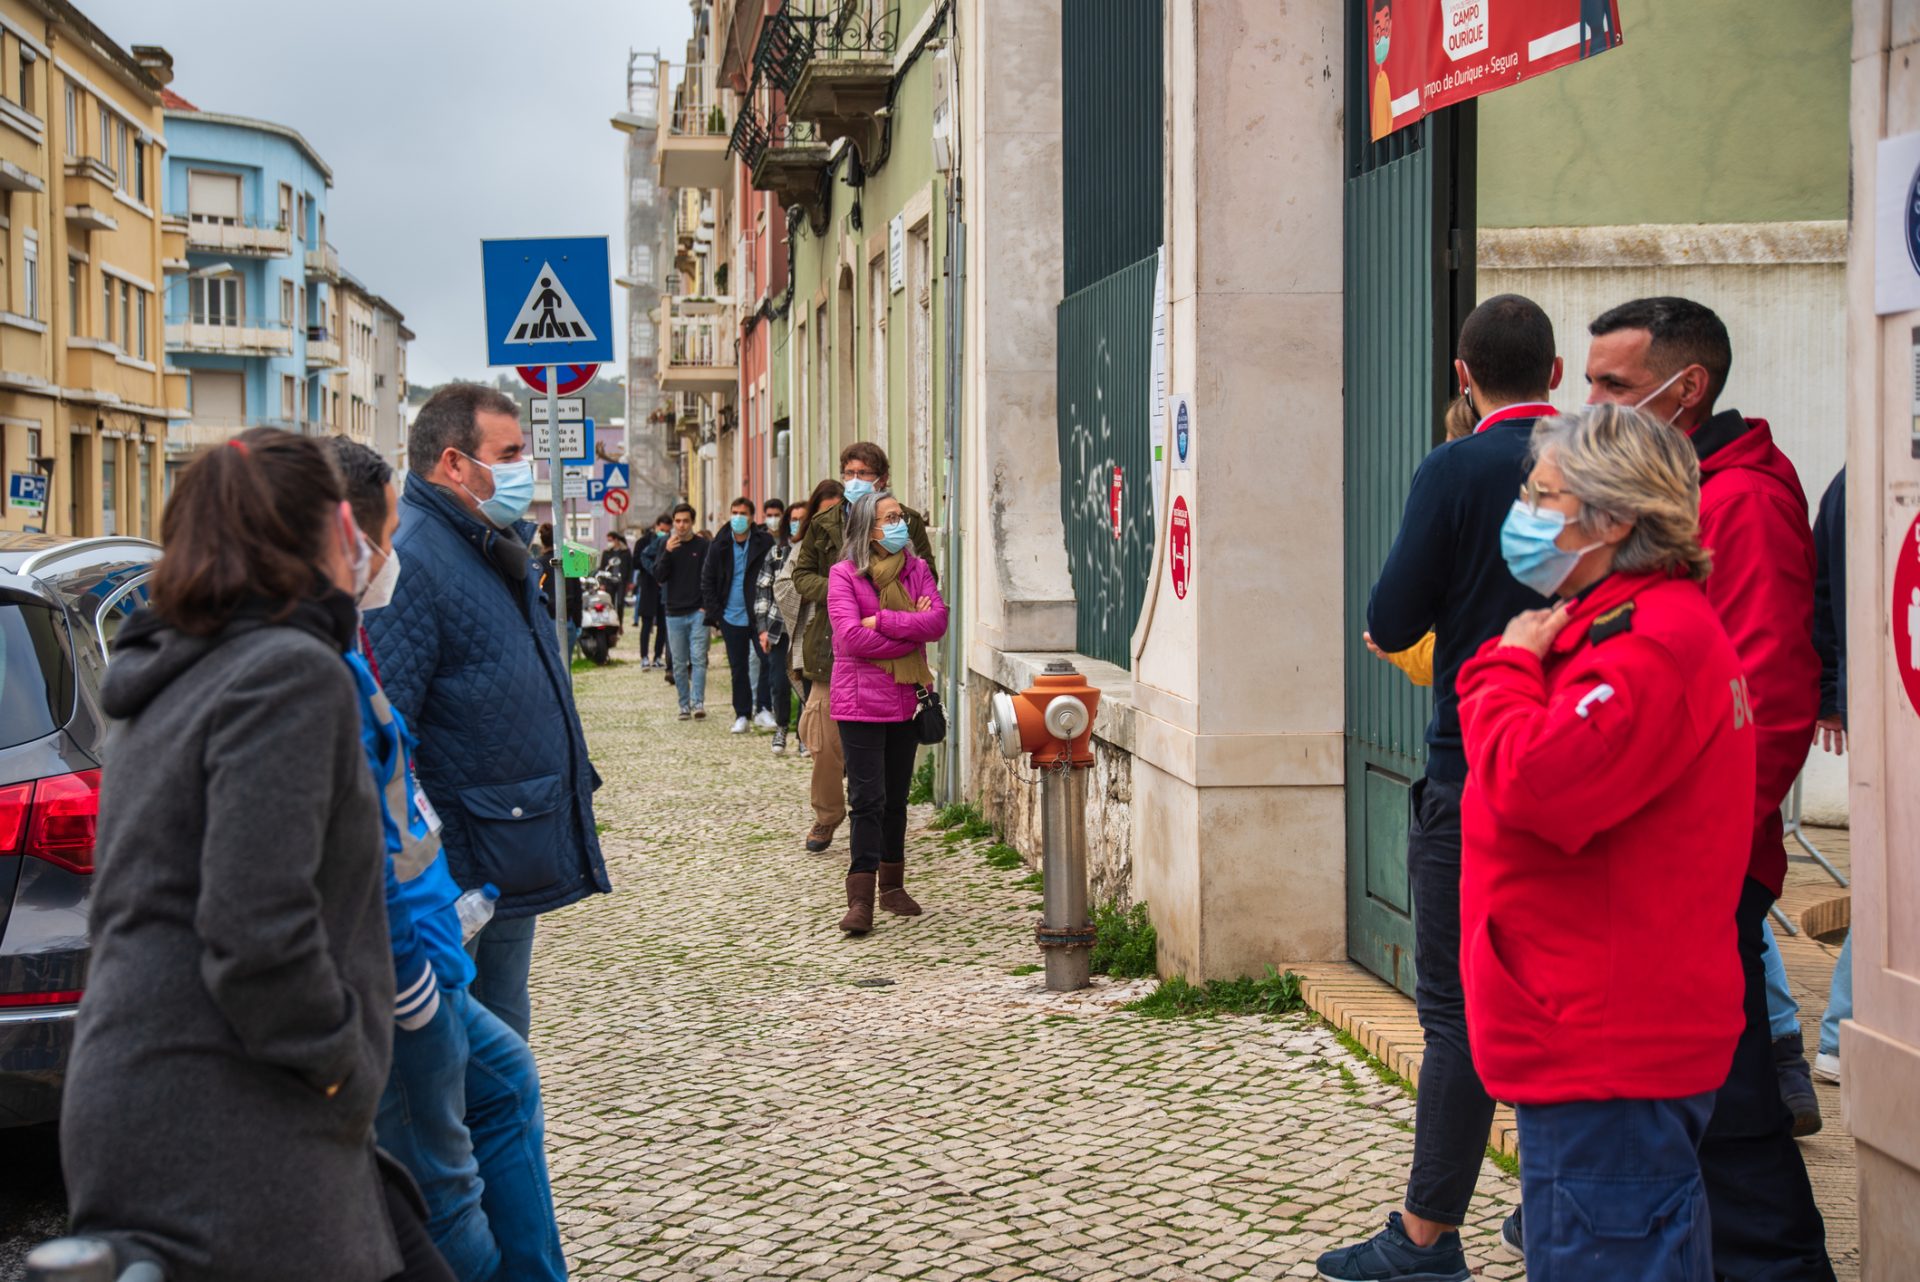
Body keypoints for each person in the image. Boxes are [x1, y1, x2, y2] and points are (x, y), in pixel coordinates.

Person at [61, 430, 433, 1282]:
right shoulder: (285, 674)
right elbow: (256, 924)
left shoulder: (174, 669)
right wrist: (342, 1062)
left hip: (150, 1090)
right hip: (231, 1107)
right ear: (332, 531)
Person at [1456, 404, 1753, 1282]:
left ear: (1615, 518)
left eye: (1544, 497)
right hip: (1597, 1028)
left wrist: (1503, 667)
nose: (1526, 512)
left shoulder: (1647, 647)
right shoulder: (1623, 625)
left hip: (1608, 1044)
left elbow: (1534, 784)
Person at [1585, 297, 1833, 1281]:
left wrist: (1702, 859)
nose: (1592, 401)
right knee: (1685, 1115)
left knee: (1730, 1120)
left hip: (1701, 870)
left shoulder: (1743, 505)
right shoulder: (1679, 493)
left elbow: (1768, 705)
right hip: (1660, 865)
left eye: (1611, 384)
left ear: (1685, 389)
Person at [1319, 295, 1560, 1282]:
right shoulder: (1594, 466)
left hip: (1474, 765)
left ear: (1464, 374)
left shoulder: (1457, 468)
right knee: (1557, 995)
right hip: (1576, 759)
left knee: (1460, 1008)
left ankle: (1427, 1234)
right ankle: (1553, 1204)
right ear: (1554, 374)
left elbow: (1390, 611)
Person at [330, 439, 567, 1282]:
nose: (388, 554)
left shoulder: (341, 642)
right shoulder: (300, 672)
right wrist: (413, 986)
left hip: (430, 943)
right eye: (380, 535)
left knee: (502, 1085)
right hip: (398, 979)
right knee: (445, 1185)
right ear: (343, 538)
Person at [368, 383, 609, 1044]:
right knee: (463, 1043)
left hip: (508, 838)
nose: (521, 469)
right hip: (460, 864)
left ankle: (502, 1148)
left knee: (502, 1030)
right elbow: (391, 730)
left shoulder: (486, 540)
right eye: (508, 454)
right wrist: (428, 873)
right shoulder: (415, 558)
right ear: (454, 463)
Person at [791, 445, 935, 853]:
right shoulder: (823, 523)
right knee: (824, 744)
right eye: (848, 471)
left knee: (884, 759)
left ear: (882, 477)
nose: (854, 479)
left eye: (864, 472)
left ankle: (876, 824)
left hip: (898, 655)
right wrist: (843, 598)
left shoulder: (906, 522)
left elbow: (926, 581)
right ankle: (826, 816)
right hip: (831, 650)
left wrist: (887, 611)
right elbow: (803, 576)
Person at [826, 490, 948, 934]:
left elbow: (937, 623)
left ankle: (893, 887)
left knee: (897, 799)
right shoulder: (844, 576)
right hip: (858, 701)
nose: (899, 523)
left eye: (899, 516)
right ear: (868, 528)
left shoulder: (917, 570)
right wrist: (909, 634)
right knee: (867, 801)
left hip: (906, 698)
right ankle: (860, 900)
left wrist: (886, 623)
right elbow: (849, 637)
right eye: (890, 517)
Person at [1810, 466, 1850, 1087]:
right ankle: (1841, 1031)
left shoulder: (1851, 479)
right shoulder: (1860, 479)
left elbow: (1818, 590)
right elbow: (1821, 590)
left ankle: (1840, 1033)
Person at [703, 495, 776, 734]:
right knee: (738, 667)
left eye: (743, 513)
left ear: (751, 517)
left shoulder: (764, 541)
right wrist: (717, 613)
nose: (738, 517)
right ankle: (742, 714)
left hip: (759, 614)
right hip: (731, 615)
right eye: (734, 512)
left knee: (767, 661)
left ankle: (763, 708)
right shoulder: (720, 543)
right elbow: (708, 579)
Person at [756, 497, 806, 753]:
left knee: (805, 683)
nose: (797, 524)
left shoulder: (813, 552)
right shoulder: (776, 554)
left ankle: (804, 734)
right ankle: (781, 727)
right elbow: (763, 591)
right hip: (778, 629)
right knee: (778, 682)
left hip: (805, 629)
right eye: (793, 520)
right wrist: (763, 629)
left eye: (802, 519)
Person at [653, 501, 711, 720]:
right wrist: (667, 551)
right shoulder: (665, 545)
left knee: (698, 659)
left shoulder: (703, 545)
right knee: (678, 663)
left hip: (698, 611)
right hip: (674, 612)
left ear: (692, 522)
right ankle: (683, 705)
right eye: (678, 521)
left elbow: (710, 576)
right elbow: (659, 575)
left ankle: (698, 703)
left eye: (686, 521)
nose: (681, 525)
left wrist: (706, 606)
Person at [537, 522, 584, 665]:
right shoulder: (569, 563)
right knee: (565, 667)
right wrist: (577, 623)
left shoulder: (536, 564)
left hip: (544, 623)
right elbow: (578, 595)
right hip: (566, 621)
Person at [635, 513, 671, 670]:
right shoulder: (643, 542)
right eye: (662, 529)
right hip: (648, 586)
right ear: (656, 526)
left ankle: (658, 656)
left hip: (664, 588)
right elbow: (636, 562)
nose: (664, 532)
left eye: (667, 530)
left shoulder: (670, 541)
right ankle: (644, 656)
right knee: (646, 623)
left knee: (663, 625)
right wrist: (654, 571)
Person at [600, 529, 633, 624]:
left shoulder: (625, 551)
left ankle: (620, 622)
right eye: (608, 541)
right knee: (610, 603)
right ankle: (612, 622)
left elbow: (630, 567)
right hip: (609, 581)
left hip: (621, 581)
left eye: (610, 540)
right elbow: (602, 568)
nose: (609, 543)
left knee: (620, 603)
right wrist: (602, 583)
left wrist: (630, 581)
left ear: (616, 540)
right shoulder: (606, 552)